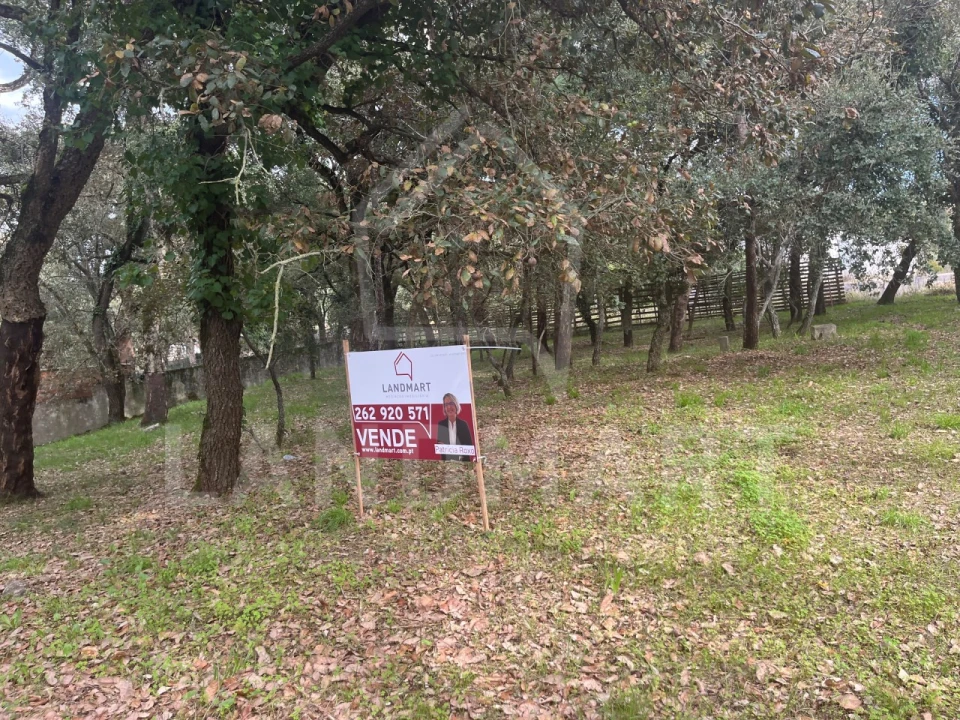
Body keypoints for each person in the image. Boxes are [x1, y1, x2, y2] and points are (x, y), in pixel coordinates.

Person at [436, 392, 473, 461]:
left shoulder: (463, 424)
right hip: (447, 463)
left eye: (451, 403)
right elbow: (440, 448)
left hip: (463, 463)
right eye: (446, 405)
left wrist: (448, 447)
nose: (449, 407)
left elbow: (469, 447)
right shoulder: (441, 425)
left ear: (456, 405)